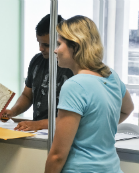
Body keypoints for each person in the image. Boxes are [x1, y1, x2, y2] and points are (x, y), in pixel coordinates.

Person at [44, 15, 134, 173]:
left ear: (75, 46)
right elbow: (127, 109)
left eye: (59, 44)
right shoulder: (111, 75)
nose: (55, 50)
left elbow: (57, 155)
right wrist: (96, 130)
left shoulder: (75, 85)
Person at [1, 14, 73, 131]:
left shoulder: (72, 67)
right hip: (39, 134)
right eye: (39, 43)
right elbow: (27, 95)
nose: (40, 48)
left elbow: (70, 119)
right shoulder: (37, 61)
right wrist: (12, 112)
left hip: (61, 132)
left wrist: (38, 125)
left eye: (46, 45)